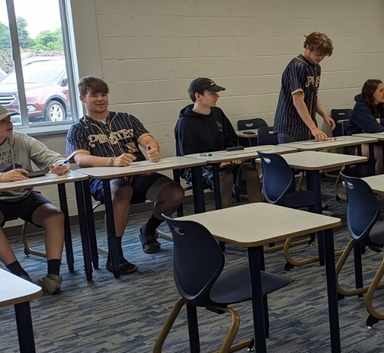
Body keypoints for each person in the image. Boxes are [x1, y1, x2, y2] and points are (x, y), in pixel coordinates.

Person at [67, 77, 185, 274]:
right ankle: (115, 254)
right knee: (121, 190)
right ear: (82, 98)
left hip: (137, 174)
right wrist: (111, 161)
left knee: (174, 193)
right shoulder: (78, 128)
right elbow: (80, 158)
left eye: (103, 94)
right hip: (104, 180)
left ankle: (148, 230)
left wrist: (152, 150)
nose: (100, 99)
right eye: (94, 95)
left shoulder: (126, 118)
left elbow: (148, 139)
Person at [0, 106, 68, 294]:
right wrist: (2, 177)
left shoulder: (21, 140)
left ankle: (53, 275)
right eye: (2, 121)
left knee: (55, 216)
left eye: (9, 119)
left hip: (24, 196)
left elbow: (55, 158)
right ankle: (19, 274)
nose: (9, 124)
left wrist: (60, 166)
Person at [174, 77, 262, 209]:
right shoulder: (185, 123)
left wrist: (233, 156)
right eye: (212, 93)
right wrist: (217, 163)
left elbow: (231, 139)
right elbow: (188, 157)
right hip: (198, 167)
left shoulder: (218, 113)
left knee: (251, 172)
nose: (217, 96)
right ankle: (223, 215)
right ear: (198, 96)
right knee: (225, 177)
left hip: (224, 162)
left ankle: (259, 211)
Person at [273, 32, 335, 143]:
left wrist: (324, 115)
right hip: (290, 127)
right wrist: (314, 128)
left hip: (306, 127)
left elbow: (312, 94)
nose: (320, 58)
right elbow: (298, 100)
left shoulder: (316, 67)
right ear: (308, 47)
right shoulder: (297, 66)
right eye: (318, 54)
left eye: (323, 55)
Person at [348, 79, 384, 173]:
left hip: (377, 141)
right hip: (357, 143)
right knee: (382, 154)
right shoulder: (361, 107)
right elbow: (374, 128)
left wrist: (380, 120)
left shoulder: (382, 103)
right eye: (381, 91)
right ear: (372, 93)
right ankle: (379, 180)